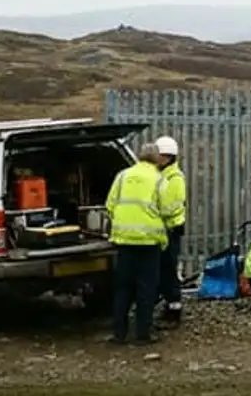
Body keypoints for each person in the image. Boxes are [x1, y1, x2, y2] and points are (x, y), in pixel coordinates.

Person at [105, 142, 169, 345]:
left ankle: (119, 334)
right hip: (149, 243)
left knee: (123, 288)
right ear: (157, 159)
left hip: (124, 241)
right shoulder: (160, 180)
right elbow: (166, 211)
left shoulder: (122, 176)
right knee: (146, 289)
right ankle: (143, 334)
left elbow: (110, 204)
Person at [154, 135, 187, 327]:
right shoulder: (165, 175)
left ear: (167, 157)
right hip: (164, 229)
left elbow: (169, 207)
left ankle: (174, 309)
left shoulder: (174, 178)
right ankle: (169, 304)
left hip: (170, 229)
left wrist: (152, 210)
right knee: (163, 268)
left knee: (168, 269)